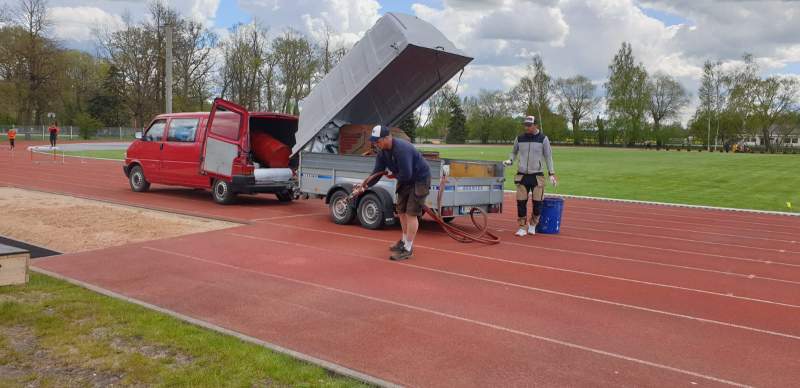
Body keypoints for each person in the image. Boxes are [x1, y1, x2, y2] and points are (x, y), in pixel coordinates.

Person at [354, 125, 431, 260]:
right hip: (405, 178)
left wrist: (392, 174)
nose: (375, 144)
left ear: (387, 138)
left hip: (419, 179)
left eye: (377, 141)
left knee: (411, 214)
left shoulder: (401, 149)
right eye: (374, 141)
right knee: (401, 210)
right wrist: (364, 186)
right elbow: (377, 173)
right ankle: (404, 240)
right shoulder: (382, 152)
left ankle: (408, 249)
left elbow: (406, 174)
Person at [503, 116, 557, 236]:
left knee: (537, 202)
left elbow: (548, 157)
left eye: (529, 125)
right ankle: (522, 226)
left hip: (537, 175)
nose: (527, 127)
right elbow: (514, 151)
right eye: (525, 125)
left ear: (535, 126)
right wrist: (510, 161)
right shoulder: (519, 138)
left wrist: (551, 173)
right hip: (522, 175)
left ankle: (533, 224)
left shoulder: (543, 139)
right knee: (521, 202)